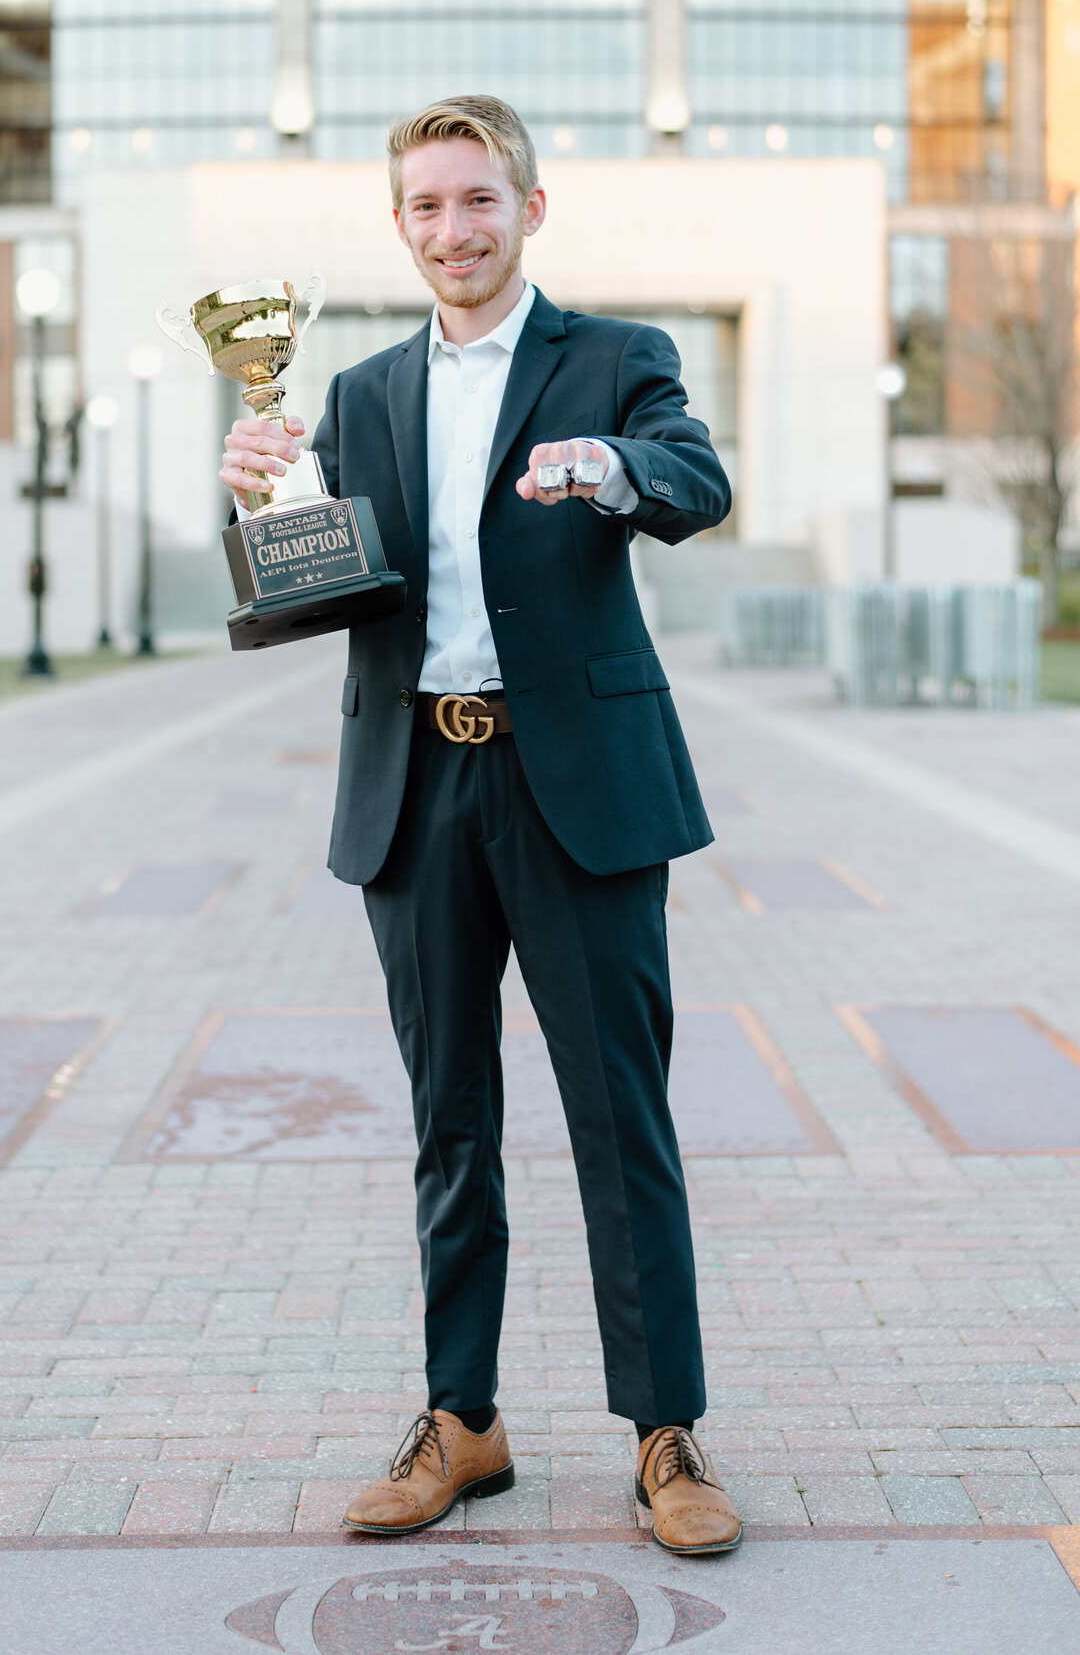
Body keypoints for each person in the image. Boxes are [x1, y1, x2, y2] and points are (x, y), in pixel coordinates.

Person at [219, 96, 740, 1556]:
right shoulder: (364, 393)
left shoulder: (618, 361)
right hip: (416, 786)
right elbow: (314, 601)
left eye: (478, 201)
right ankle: (465, 1418)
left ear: (529, 207)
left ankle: (666, 1432)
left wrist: (615, 471)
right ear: (400, 226)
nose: (454, 229)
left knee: (617, 1118)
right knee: (451, 1122)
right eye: (428, 207)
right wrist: (265, 509)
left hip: (577, 789)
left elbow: (701, 477)